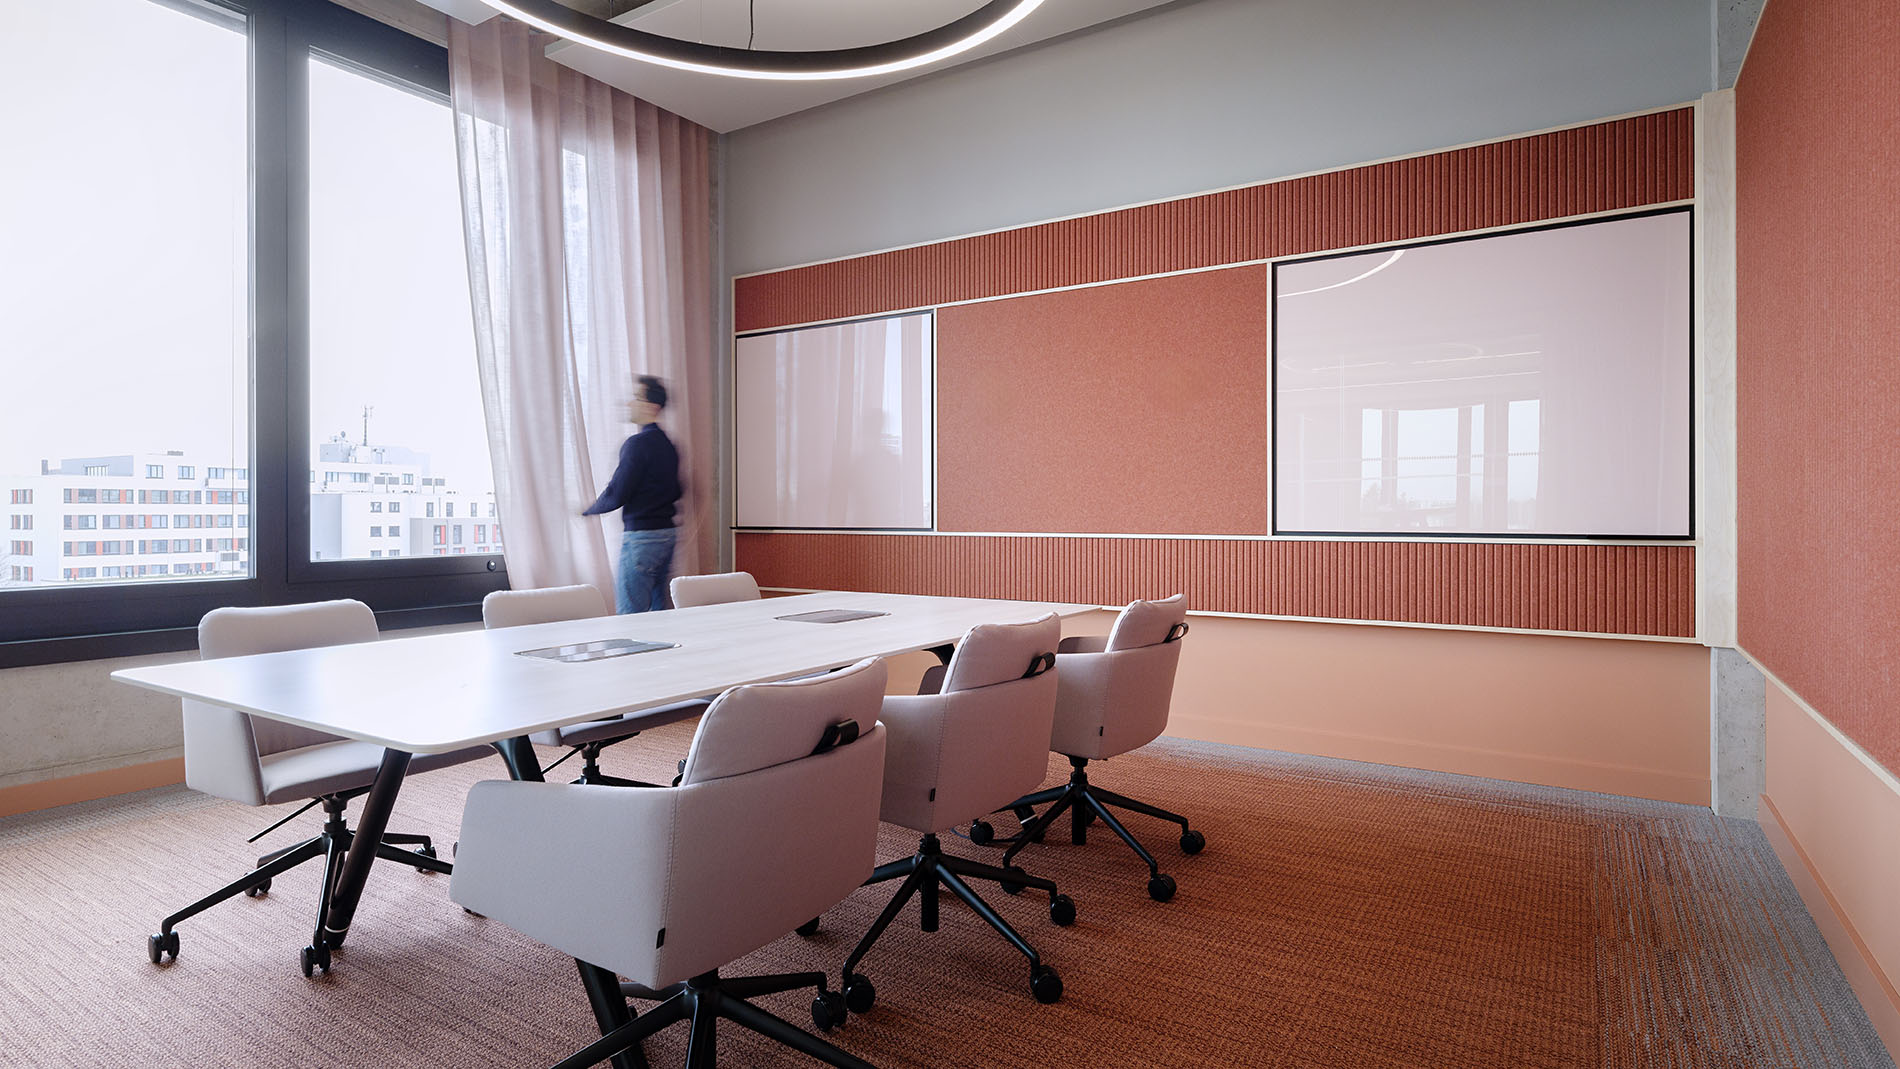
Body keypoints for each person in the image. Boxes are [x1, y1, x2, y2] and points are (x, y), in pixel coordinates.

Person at [582, 375, 682, 613]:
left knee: (630, 616)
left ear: (652, 406)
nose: (629, 403)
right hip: (667, 535)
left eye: (636, 398)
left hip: (642, 538)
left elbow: (617, 492)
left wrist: (588, 510)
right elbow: (677, 490)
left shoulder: (637, 444)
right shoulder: (669, 445)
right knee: (659, 612)